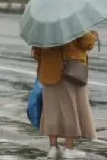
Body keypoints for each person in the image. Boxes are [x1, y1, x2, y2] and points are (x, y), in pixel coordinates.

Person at [33, 30, 98, 159]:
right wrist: (94, 36)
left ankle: (52, 148)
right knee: (70, 110)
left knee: (51, 112)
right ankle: (69, 148)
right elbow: (87, 43)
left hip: (49, 72)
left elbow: (36, 53)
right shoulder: (73, 21)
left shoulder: (43, 25)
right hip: (70, 72)